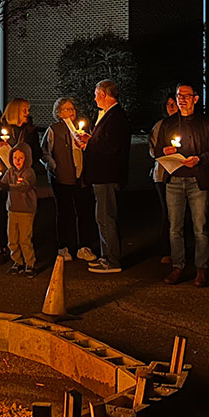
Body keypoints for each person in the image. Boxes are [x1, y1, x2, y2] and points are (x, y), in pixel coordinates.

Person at [159, 82, 209, 286]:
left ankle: (202, 269)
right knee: (175, 227)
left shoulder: (205, 123)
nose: (181, 99)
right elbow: (159, 148)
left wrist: (199, 159)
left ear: (195, 98)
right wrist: (165, 151)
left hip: (197, 179)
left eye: (186, 95)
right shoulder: (168, 124)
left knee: (200, 227)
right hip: (174, 179)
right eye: (178, 95)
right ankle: (178, 266)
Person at [80, 80, 130, 275]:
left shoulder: (116, 118)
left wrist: (89, 143)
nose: (94, 98)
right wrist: (89, 141)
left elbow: (111, 147)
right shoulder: (110, 116)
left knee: (106, 216)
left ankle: (112, 260)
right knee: (102, 216)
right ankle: (106, 255)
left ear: (103, 94)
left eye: (96, 94)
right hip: (102, 175)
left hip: (107, 175)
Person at [41, 97, 96, 263]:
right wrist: (54, 167)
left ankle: (84, 246)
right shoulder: (54, 130)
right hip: (62, 178)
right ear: (58, 112)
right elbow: (44, 152)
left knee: (84, 212)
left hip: (81, 177)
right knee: (64, 212)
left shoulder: (82, 128)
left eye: (71, 109)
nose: (70, 112)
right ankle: (63, 246)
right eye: (65, 109)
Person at [0, 98, 35, 264]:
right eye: (24, 110)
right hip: (4, 178)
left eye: (28, 110)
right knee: (3, 215)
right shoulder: (1, 130)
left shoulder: (29, 131)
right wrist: (1, 149)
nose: (27, 113)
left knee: (22, 215)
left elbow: (37, 153)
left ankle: (25, 250)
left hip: (21, 180)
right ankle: (5, 248)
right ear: (15, 112)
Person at [148, 95, 179, 265]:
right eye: (168, 104)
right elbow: (152, 150)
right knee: (167, 212)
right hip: (163, 174)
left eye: (173, 104)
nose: (171, 107)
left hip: (182, 172)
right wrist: (163, 151)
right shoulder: (160, 126)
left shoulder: (185, 125)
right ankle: (166, 250)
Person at [0, 142, 38, 276]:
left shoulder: (29, 172)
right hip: (12, 209)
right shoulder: (10, 171)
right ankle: (17, 261)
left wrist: (9, 187)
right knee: (12, 239)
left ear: (27, 158)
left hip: (26, 210)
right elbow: (3, 183)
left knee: (25, 239)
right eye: (15, 158)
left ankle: (30, 263)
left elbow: (25, 186)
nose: (17, 161)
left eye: (21, 158)